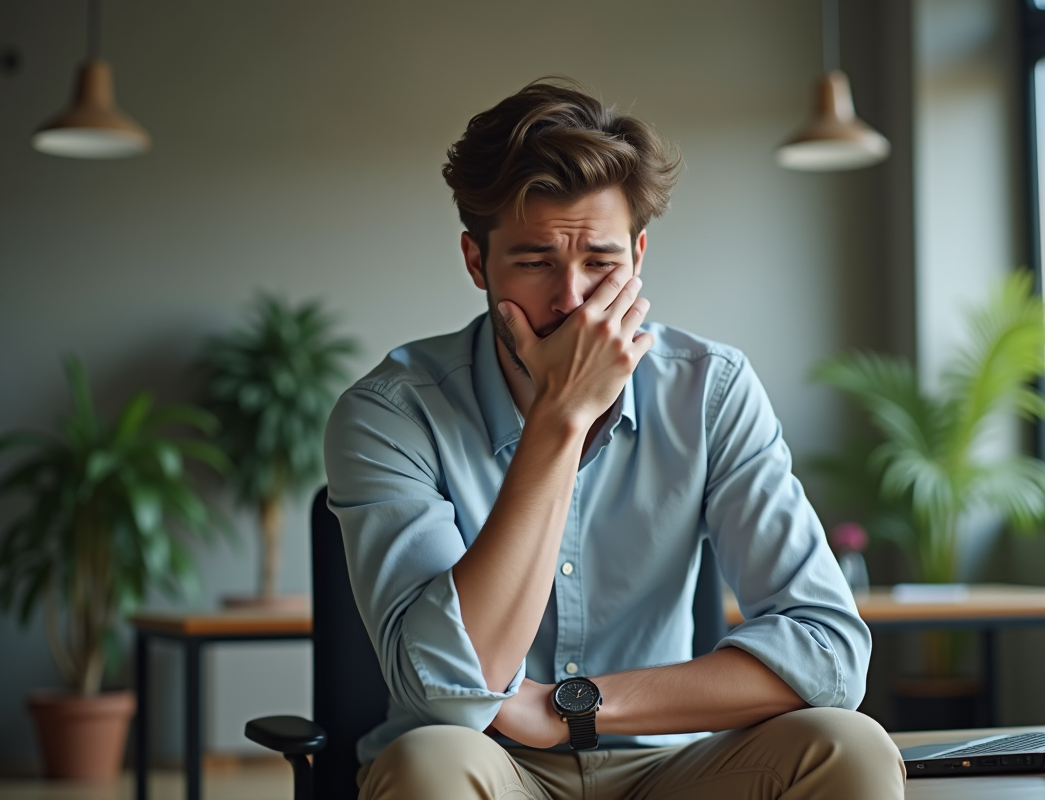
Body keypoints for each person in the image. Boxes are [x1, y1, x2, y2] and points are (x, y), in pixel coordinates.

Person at [324, 78, 905, 800]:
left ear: (637, 255)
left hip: (671, 764)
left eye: (600, 263)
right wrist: (560, 419)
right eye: (535, 262)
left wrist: (575, 707)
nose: (572, 299)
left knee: (850, 746)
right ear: (477, 261)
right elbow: (448, 690)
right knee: (428, 765)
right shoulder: (390, 412)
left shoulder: (710, 390)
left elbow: (829, 651)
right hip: (486, 762)